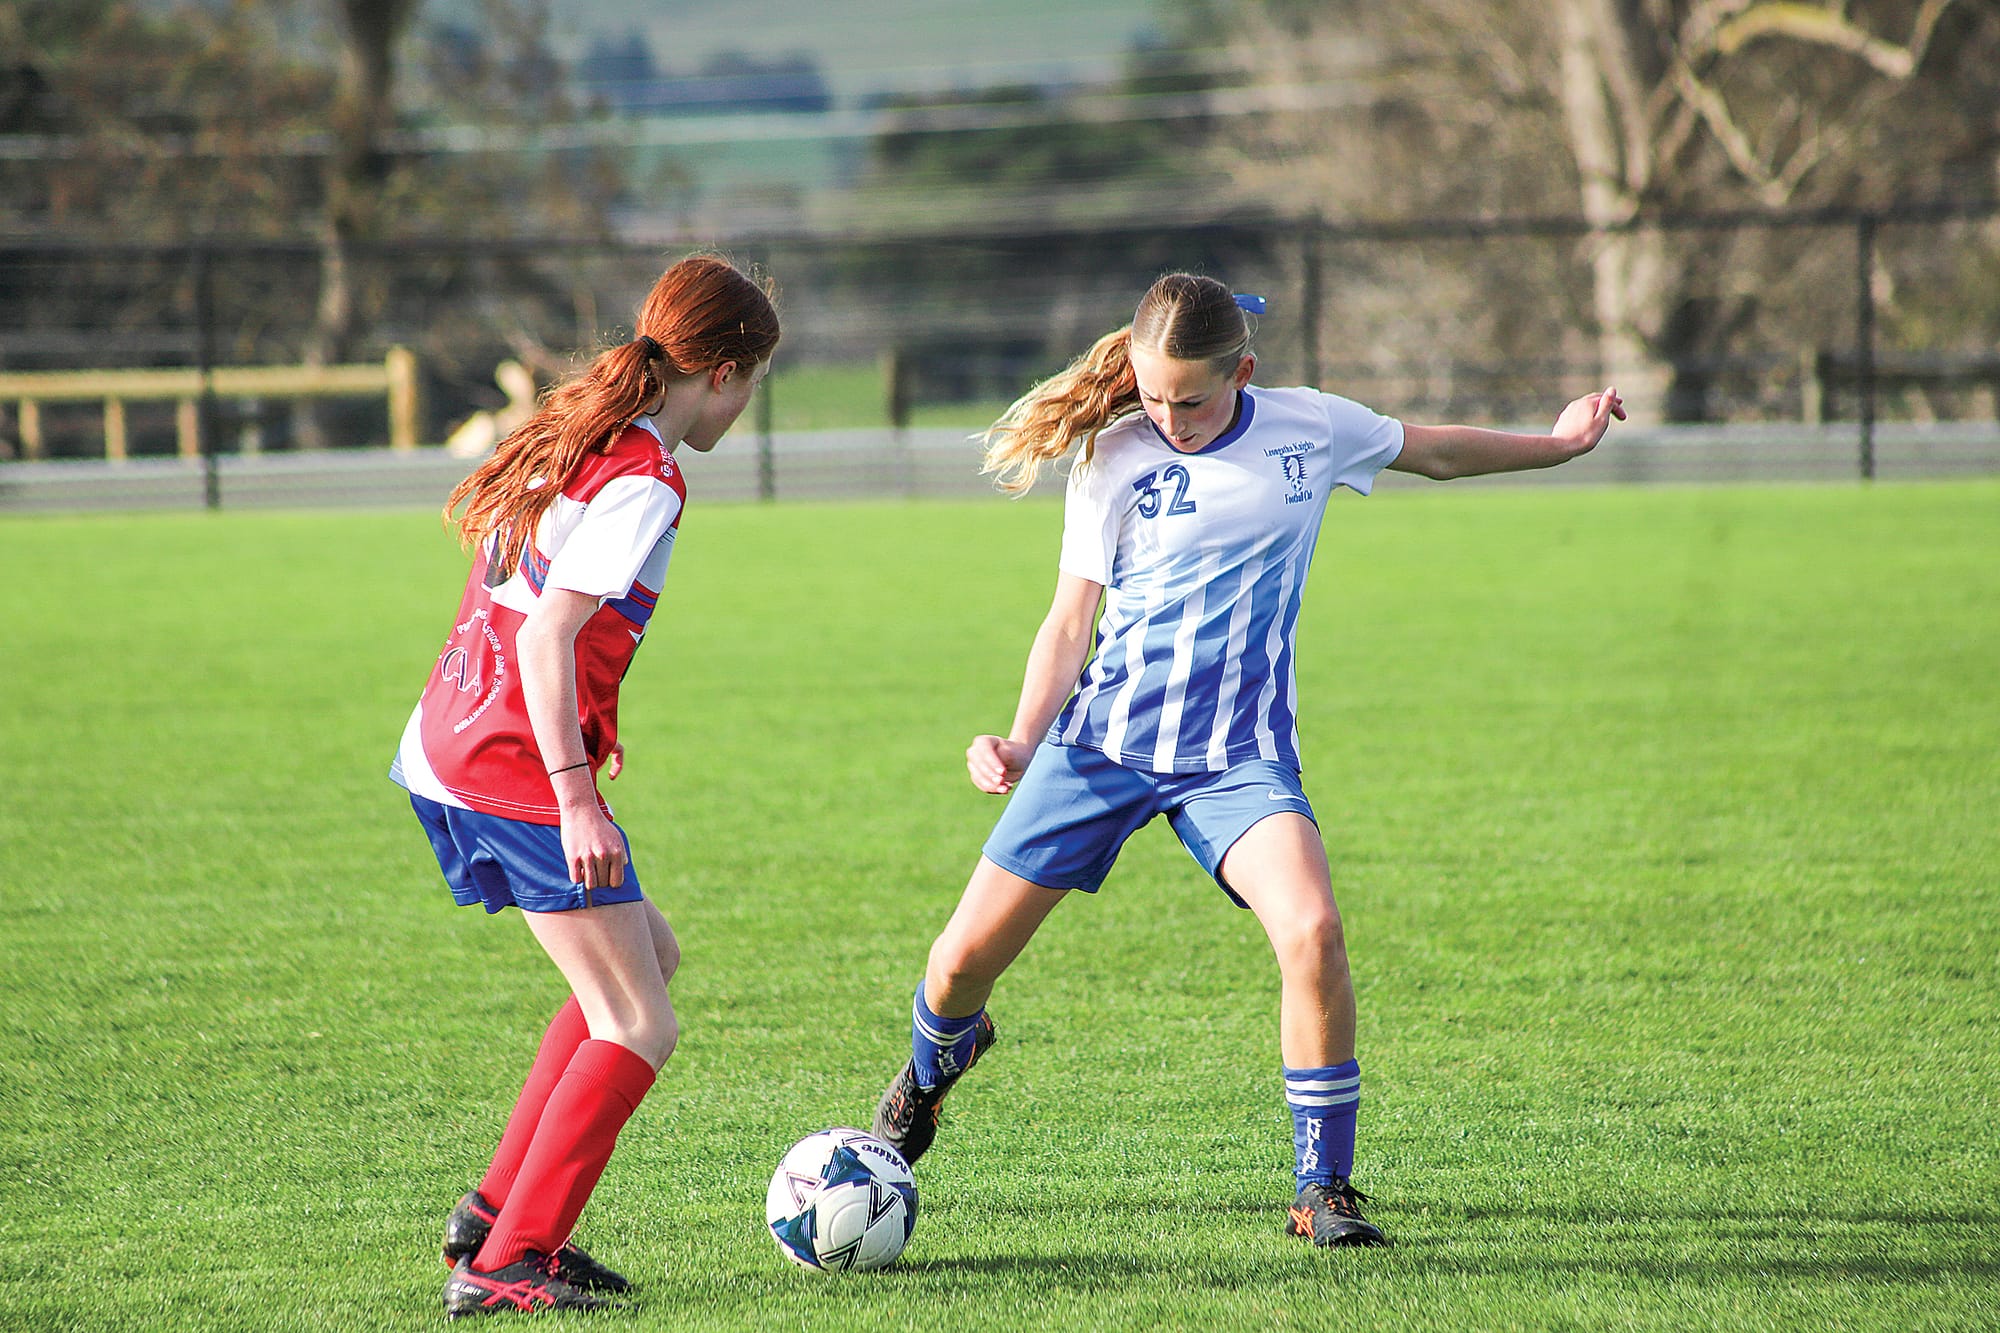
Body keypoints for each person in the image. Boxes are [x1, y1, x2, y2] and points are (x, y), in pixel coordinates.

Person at [871, 272, 1623, 1248]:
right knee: (957, 962)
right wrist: (1020, 737)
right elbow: (1069, 623)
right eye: (1150, 395)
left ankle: (1322, 1189)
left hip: (1237, 758)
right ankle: (934, 1069)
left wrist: (1559, 444)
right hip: (1102, 745)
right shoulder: (1112, 454)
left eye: (1191, 398)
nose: (1169, 416)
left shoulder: (1307, 428)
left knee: (1312, 930)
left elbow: (1430, 451)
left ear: (1243, 373)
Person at [390, 254, 779, 1317]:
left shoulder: (582, 425)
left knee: (644, 954)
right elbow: (552, 634)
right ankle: (513, 1257)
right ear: (728, 371)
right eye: (749, 389)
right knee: (638, 1022)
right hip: (511, 763)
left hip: (450, 736)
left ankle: (491, 1213)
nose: (743, 412)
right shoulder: (644, 474)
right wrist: (574, 793)